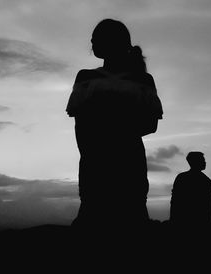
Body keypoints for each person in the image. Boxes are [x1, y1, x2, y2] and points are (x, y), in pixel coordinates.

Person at [66, 19, 163, 227]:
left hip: (111, 164)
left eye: (96, 37)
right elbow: (148, 124)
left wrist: (102, 135)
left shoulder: (142, 80)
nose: (91, 42)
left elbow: (82, 127)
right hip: (106, 163)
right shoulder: (86, 77)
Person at [170, 152, 211, 225]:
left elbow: (174, 202)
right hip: (199, 221)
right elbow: (209, 204)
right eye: (202, 160)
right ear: (196, 162)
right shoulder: (206, 181)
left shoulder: (181, 178)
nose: (205, 162)